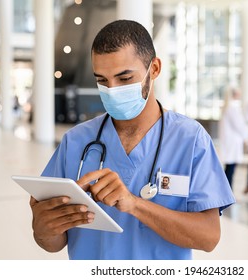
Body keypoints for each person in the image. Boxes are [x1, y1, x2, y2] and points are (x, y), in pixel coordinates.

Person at [29, 20, 235, 260]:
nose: (112, 90)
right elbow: (52, 242)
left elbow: (208, 237)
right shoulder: (76, 141)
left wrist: (135, 204)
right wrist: (44, 228)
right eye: (102, 81)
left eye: (124, 79)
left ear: (154, 69)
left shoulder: (190, 140)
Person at [218, 86, 248, 189]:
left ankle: (227, 192)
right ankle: (228, 193)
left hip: (230, 143)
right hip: (232, 143)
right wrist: (246, 138)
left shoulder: (228, 107)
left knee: (229, 168)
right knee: (230, 169)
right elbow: (239, 125)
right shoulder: (232, 108)